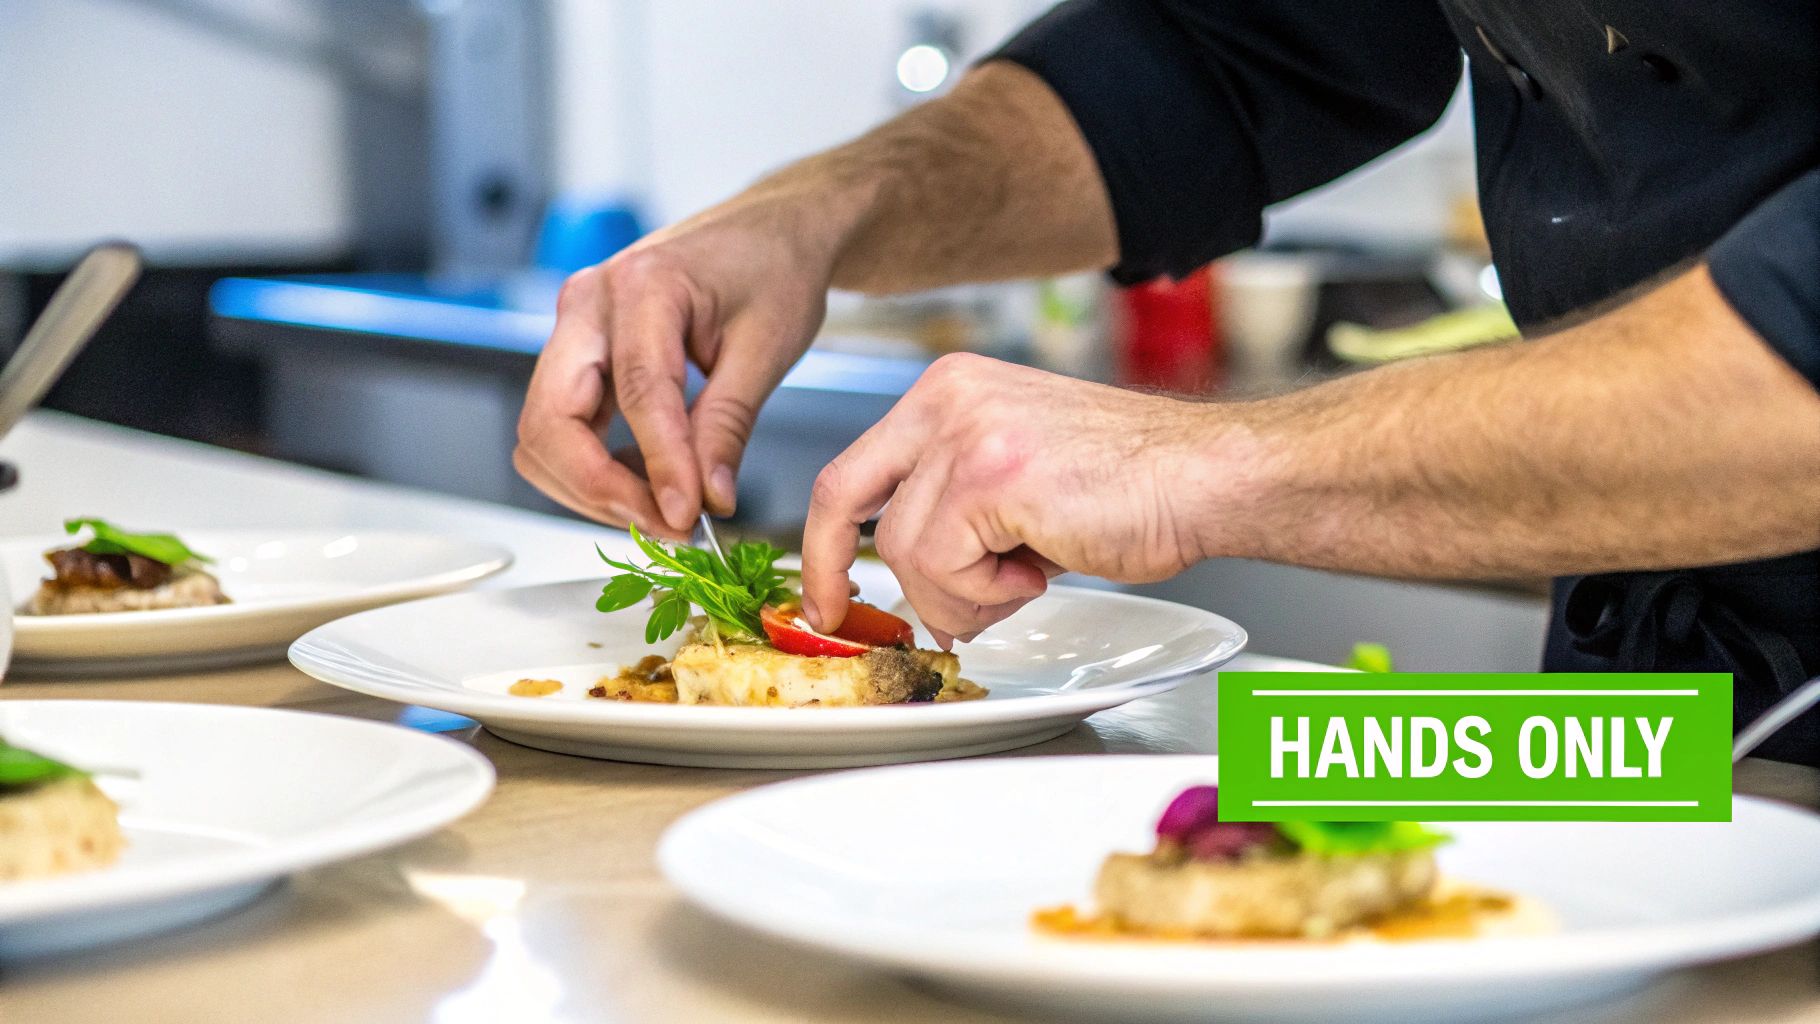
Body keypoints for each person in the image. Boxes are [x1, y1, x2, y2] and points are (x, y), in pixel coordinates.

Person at [515, 2, 1820, 764]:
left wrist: (1192, 466)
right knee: (1214, 807)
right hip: (1632, 729)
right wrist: (814, 214)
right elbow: (1227, 54)